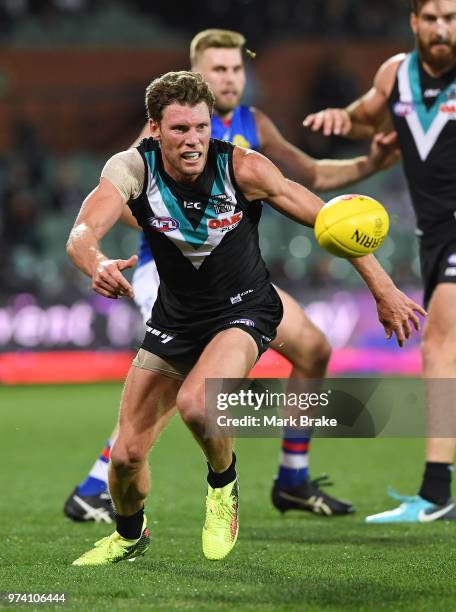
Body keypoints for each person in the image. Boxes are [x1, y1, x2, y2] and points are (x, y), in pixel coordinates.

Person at [67, 71, 423, 565]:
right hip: (176, 318)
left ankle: (223, 485)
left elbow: (330, 219)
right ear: (154, 129)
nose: (192, 140)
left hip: (244, 308)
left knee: (198, 402)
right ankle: (129, 536)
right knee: (125, 457)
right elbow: (82, 232)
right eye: (178, 130)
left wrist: (383, 288)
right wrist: (97, 262)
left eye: (201, 127)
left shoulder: (244, 167)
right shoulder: (132, 168)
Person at [304, 0, 456, 523]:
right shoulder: (396, 75)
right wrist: (339, 117)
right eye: (432, 17)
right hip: (433, 233)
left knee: (439, 343)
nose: (442, 28)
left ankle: (437, 493)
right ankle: (438, 494)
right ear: (414, 21)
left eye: (452, 17)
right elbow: (363, 117)